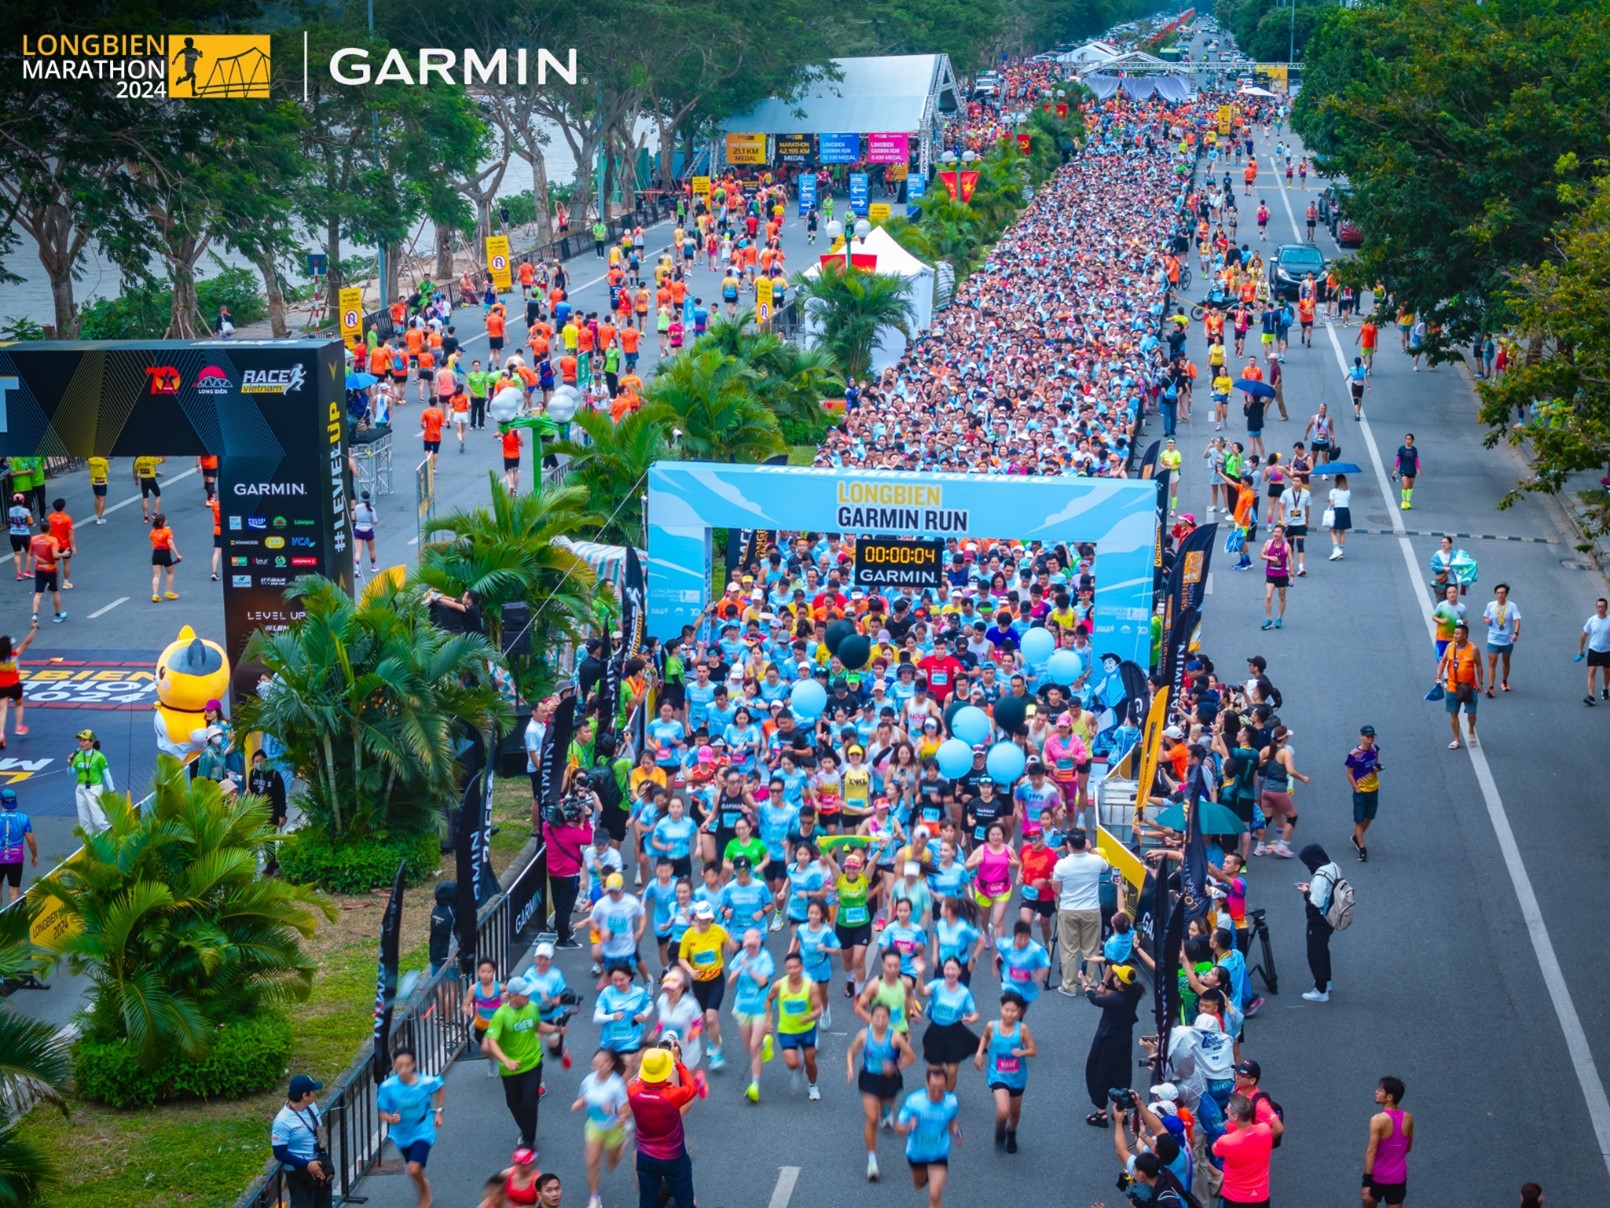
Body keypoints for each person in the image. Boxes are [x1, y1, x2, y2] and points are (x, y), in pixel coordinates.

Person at [484, 976, 566, 1151]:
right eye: (524, 994)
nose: (528, 996)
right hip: (510, 1069)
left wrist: (556, 1029)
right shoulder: (500, 1015)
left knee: (529, 1102)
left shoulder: (532, 1007)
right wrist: (505, 1060)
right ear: (513, 996)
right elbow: (492, 1041)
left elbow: (537, 1026)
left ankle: (529, 1142)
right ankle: (526, 1129)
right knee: (513, 1104)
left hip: (532, 1062)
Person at [626, 1046, 703, 1208]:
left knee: (647, 1201)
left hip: (645, 1157)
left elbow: (637, 1079)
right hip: (673, 1158)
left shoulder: (633, 1091)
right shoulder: (672, 1095)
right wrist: (677, 1062)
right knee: (685, 1201)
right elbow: (691, 1087)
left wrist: (650, 1064)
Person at [849, 998, 916, 1182]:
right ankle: (872, 1161)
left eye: (884, 1017)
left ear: (888, 1019)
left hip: (889, 1080)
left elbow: (911, 1057)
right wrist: (850, 1068)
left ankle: (887, 1112)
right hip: (869, 1078)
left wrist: (894, 1067)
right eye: (876, 1017)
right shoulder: (864, 1035)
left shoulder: (894, 1037)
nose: (880, 1021)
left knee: (886, 1106)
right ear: (871, 1018)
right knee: (871, 1118)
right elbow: (851, 1051)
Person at [375, 1047, 445, 1208]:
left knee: (413, 1169)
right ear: (394, 1066)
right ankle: (423, 1181)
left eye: (407, 1065)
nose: (404, 1069)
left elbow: (440, 1085)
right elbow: (382, 1112)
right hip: (401, 1133)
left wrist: (439, 1112)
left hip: (423, 1128)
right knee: (415, 1168)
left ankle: (424, 1191)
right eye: (400, 1066)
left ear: (413, 1064)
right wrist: (390, 1119)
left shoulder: (425, 1082)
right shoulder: (387, 1087)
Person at [974, 990, 1035, 1153]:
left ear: (1019, 1012)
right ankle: (1000, 1130)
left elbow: (1033, 1050)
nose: (1009, 1014)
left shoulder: (1022, 1029)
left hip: (1017, 1075)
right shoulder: (991, 1026)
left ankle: (1012, 1132)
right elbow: (985, 1037)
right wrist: (979, 1053)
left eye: (1013, 1011)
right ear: (1001, 1009)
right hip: (998, 1074)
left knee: (1014, 1111)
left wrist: (1023, 1052)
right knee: (1003, 1109)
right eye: (1006, 1010)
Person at [1083, 964, 1144, 1127]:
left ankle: (1100, 1113)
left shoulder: (1116, 999)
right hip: (1124, 1041)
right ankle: (1121, 1109)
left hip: (1107, 1040)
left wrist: (1086, 985)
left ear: (1119, 983)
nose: (1114, 978)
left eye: (1116, 977)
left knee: (1099, 1072)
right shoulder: (1133, 994)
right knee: (1122, 1072)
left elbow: (1096, 1000)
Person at [570, 1048, 630, 1208]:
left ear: (610, 1064)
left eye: (602, 1062)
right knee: (592, 1163)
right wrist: (579, 1103)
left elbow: (627, 1110)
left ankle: (623, 1144)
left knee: (611, 1165)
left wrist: (614, 1111)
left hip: (613, 1128)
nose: (598, 1066)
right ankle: (594, 1197)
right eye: (595, 1063)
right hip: (595, 1126)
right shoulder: (588, 1081)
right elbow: (584, 1097)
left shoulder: (616, 1085)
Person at [895, 1065, 961, 1208]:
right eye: (933, 1088)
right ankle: (924, 1178)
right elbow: (899, 1129)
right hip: (917, 1153)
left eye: (941, 1088)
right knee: (919, 1184)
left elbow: (952, 1121)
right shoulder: (914, 1101)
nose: (937, 1093)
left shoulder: (951, 1102)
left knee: (935, 1194)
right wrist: (908, 1126)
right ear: (926, 1084)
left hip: (939, 1153)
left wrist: (957, 1133)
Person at [1052, 828, 1108, 994]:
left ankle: (1068, 985)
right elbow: (1106, 867)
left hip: (1069, 909)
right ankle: (1090, 982)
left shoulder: (1061, 864)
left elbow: (1056, 888)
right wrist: (1091, 849)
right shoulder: (1096, 861)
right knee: (1090, 948)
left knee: (1069, 949)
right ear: (1084, 843)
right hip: (1091, 909)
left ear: (1068, 845)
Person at [766, 950, 825, 1099]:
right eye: (789, 968)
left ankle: (813, 1086)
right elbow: (768, 999)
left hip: (807, 1029)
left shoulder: (811, 986)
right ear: (786, 969)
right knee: (792, 1063)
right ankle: (798, 1069)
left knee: (810, 1061)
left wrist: (810, 1017)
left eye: (795, 967)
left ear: (801, 967)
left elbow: (818, 1009)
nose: (792, 971)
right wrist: (768, 1019)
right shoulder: (779, 985)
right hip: (787, 1030)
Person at [271, 1074, 331, 1208]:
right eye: (313, 1091)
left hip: (320, 1166)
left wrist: (323, 1154)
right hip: (300, 1174)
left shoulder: (311, 1106)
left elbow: (318, 1127)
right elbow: (279, 1153)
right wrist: (307, 1165)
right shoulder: (282, 1121)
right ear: (305, 1095)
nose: (315, 1094)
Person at [1297, 843, 1343, 1002]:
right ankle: (1326, 981)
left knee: (1314, 953)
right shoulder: (1333, 867)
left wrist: (1306, 892)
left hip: (1319, 919)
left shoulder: (1319, 876)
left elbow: (1315, 902)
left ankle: (1321, 990)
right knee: (1323, 949)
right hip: (1332, 915)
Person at [1213, 1093, 1273, 1208]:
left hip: (1234, 1199)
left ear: (1235, 1117)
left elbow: (1216, 1151)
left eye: (1228, 1110)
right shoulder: (1265, 1130)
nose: (1226, 1111)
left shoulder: (1226, 1141)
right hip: (1260, 1197)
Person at [1363, 1075, 1414, 1208]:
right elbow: (1408, 1147)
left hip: (1377, 1178)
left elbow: (1371, 1151)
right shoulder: (1408, 1118)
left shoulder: (1377, 1119)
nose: (1376, 1092)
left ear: (1389, 1097)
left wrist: (1366, 1183)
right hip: (1398, 1178)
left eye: (1380, 1090)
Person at [1435, 622, 1481, 748]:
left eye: (1458, 633)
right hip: (1452, 686)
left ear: (1465, 636)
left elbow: (1479, 665)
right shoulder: (1450, 646)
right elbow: (1443, 661)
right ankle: (1456, 739)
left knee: (1471, 713)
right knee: (1453, 713)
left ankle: (1471, 728)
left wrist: (1480, 682)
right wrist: (1438, 675)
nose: (1455, 635)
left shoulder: (1473, 649)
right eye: (1454, 633)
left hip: (1469, 687)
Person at [1345, 725, 1383, 862]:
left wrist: (1377, 768)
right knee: (1359, 819)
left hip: (1374, 788)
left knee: (1369, 817)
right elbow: (1349, 773)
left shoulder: (1374, 749)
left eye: (1372, 736)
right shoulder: (1355, 754)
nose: (1370, 739)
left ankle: (1357, 837)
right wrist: (1356, 787)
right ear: (1361, 737)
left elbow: (1377, 764)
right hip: (1361, 790)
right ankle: (1362, 848)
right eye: (1368, 736)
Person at [0, 624, 39, 748]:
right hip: (15, 686)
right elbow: (27, 642)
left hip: (1, 688)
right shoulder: (15, 654)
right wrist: (34, 629)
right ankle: (19, 727)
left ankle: (1, 734)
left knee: (2, 711)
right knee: (19, 704)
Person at [0, 788, 38, 908]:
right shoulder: (23, 818)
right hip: (16, 860)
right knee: (14, 891)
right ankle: (13, 920)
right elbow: (31, 841)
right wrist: (35, 856)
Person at [70, 728, 112, 834]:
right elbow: (71, 773)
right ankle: (89, 845)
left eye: (84, 740)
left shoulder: (99, 757)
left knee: (99, 821)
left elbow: (106, 774)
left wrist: (112, 790)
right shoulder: (78, 756)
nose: (81, 743)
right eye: (80, 740)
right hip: (80, 789)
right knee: (84, 823)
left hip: (94, 789)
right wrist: (70, 762)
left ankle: (115, 837)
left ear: (92, 742)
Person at [1482, 583, 1521, 696]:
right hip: (1493, 639)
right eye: (1498, 593)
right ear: (1495, 594)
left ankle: (1504, 681)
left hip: (1507, 640)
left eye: (1502, 593)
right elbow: (1485, 617)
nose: (1500, 595)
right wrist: (1486, 621)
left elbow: (1517, 621)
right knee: (1492, 662)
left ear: (1506, 594)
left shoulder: (1512, 606)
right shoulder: (1490, 605)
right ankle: (1491, 687)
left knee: (1506, 661)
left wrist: (1516, 634)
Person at [27, 520, 65, 624]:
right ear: (50, 529)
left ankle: (35, 614)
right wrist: (64, 554)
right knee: (55, 591)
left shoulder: (34, 539)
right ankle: (57, 614)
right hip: (51, 569)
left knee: (38, 593)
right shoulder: (52, 540)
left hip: (39, 569)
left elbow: (30, 553)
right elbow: (55, 555)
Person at [1577, 597, 1610, 705]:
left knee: (1607, 672)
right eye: (1598, 606)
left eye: (1602, 607)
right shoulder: (1592, 620)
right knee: (1592, 672)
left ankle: (1605, 689)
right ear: (1596, 607)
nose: (1600, 609)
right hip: (1593, 650)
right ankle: (1591, 696)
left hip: (1606, 650)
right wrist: (1580, 650)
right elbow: (1584, 635)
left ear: (1606, 608)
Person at [1259, 523, 1290, 630]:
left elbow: (1290, 560)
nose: (1275, 534)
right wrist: (1270, 558)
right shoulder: (1268, 543)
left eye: (1278, 532)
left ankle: (1279, 618)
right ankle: (1268, 619)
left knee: (1282, 598)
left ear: (1282, 534)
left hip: (1282, 575)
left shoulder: (1286, 546)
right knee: (1268, 596)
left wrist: (1292, 576)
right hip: (1270, 574)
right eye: (1274, 531)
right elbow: (1261, 555)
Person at [149, 512, 182, 601]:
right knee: (170, 573)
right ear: (163, 522)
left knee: (156, 575)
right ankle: (169, 592)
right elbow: (170, 544)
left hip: (155, 554)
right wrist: (177, 555)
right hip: (165, 554)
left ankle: (155, 594)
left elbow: (152, 542)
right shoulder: (167, 531)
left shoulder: (152, 532)